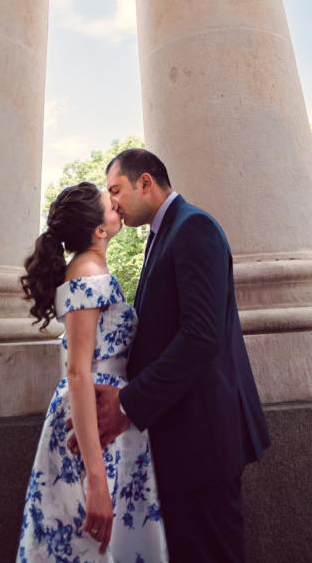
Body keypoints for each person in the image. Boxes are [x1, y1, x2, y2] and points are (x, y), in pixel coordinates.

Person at [67, 149, 271, 563]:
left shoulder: (193, 226)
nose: (115, 202)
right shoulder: (165, 234)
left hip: (203, 443)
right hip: (181, 441)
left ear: (145, 182)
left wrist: (127, 403)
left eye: (117, 190)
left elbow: (201, 336)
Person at [16, 180, 169, 563]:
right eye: (110, 204)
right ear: (100, 229)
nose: (117, 204)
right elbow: (79, 373)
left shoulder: (92, 268)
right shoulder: (87, 274)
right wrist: (97, 480)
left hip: (108, 418)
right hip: (93, 427)